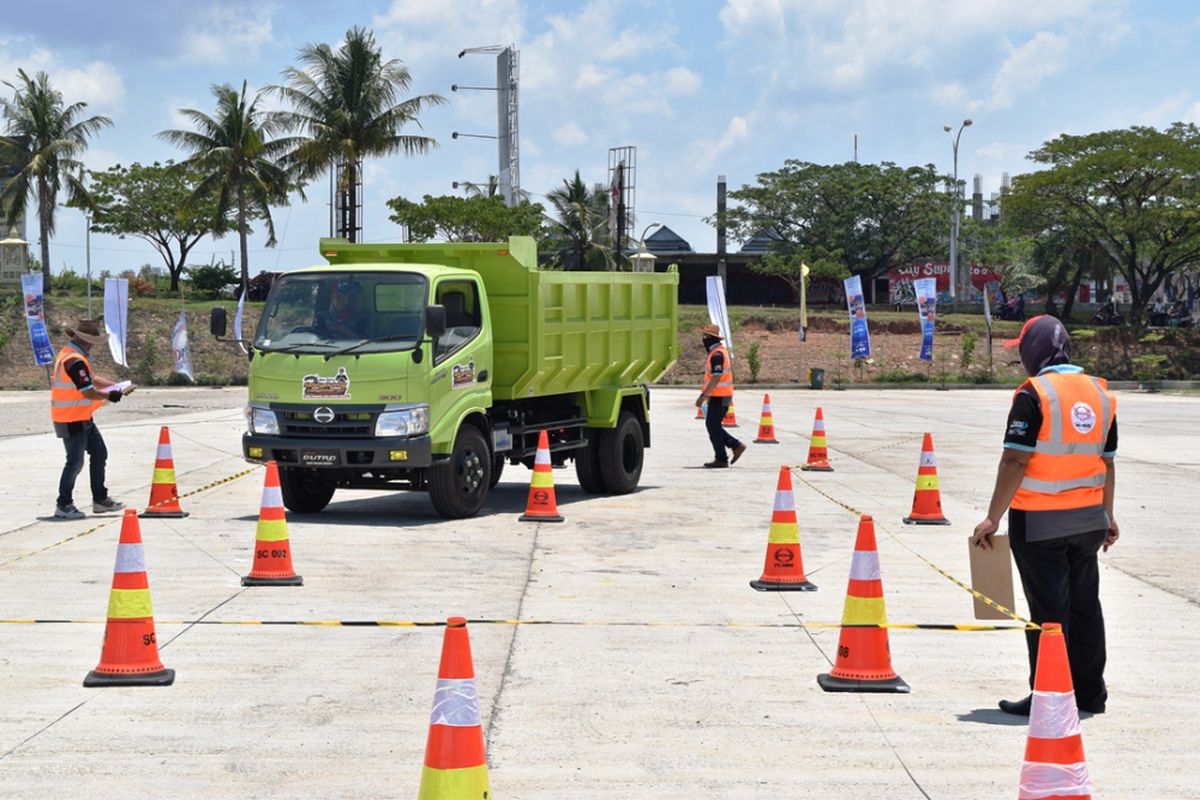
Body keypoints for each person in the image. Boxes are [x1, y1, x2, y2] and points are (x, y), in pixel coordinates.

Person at [971, 315, 1118, 716]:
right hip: (1089, 521)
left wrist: (992, 518)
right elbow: (1107, 463)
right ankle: (1090, 694)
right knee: (1086, 607)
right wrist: (1109, 514)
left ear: (1033, 350)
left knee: (1048, 613)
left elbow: (1015, 460)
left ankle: (1050, 697)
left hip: (1039, 523)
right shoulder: (1100, 394)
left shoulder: (1033, 394)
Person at [51, 320, 135, 520]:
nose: (93, 345)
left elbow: (93, 379)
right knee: (75, 462)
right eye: (92, 341)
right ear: (84, 340)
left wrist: (118, 387)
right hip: (71, 418)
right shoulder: (74, 360)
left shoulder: (75, 356)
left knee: (99, 454)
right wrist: (110, 395)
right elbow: (88, 391)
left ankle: (100, 499)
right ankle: (63, 504)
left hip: (81, 416)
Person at [695, 323, 746, 468]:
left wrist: (704, 396)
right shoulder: (719, 351)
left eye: (705, 337)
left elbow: (716, 378)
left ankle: (724, 456)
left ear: (710, 338)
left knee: (712, 425)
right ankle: (733, 447)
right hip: (720, 395)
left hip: (720, 396)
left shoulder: (717, 355)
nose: (703, 339)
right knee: (713, 425)